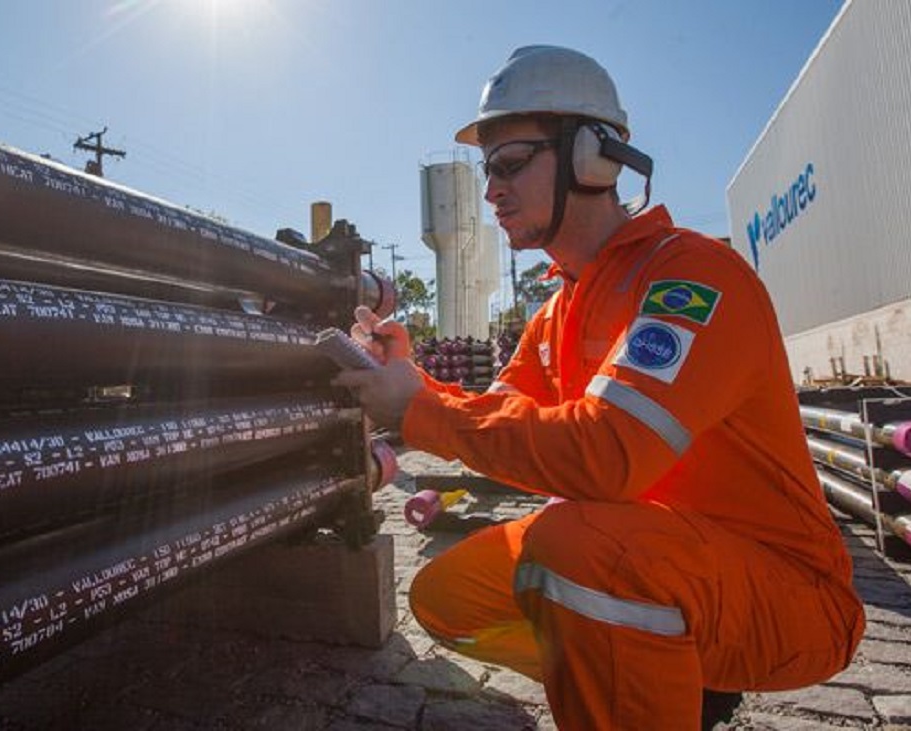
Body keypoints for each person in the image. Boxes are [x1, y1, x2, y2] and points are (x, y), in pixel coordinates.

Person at [333, 45, 864, 730]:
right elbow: (496, 412)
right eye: (487, 170)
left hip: (783, 591)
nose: (491, 191)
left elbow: (608, 454)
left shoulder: (692, 277)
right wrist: (413, 381)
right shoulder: (559, 310)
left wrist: (418, 410)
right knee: (448, 595)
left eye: (510, 164)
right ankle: (664, 679)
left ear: (593, 158)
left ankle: (651, 693)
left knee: (576, 547)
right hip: (650, 557)